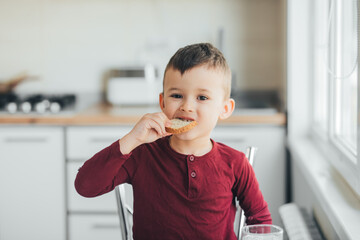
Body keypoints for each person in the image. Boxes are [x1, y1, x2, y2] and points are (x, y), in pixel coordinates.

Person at [75, 43, 272, 240]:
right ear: (162, 103)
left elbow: (261, 221)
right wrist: (132, 139)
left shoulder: (235, 163)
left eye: (202, 97)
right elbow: (85, 186)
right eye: (177, 95)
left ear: (225, 108)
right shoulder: (142, 154)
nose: (187, 106)